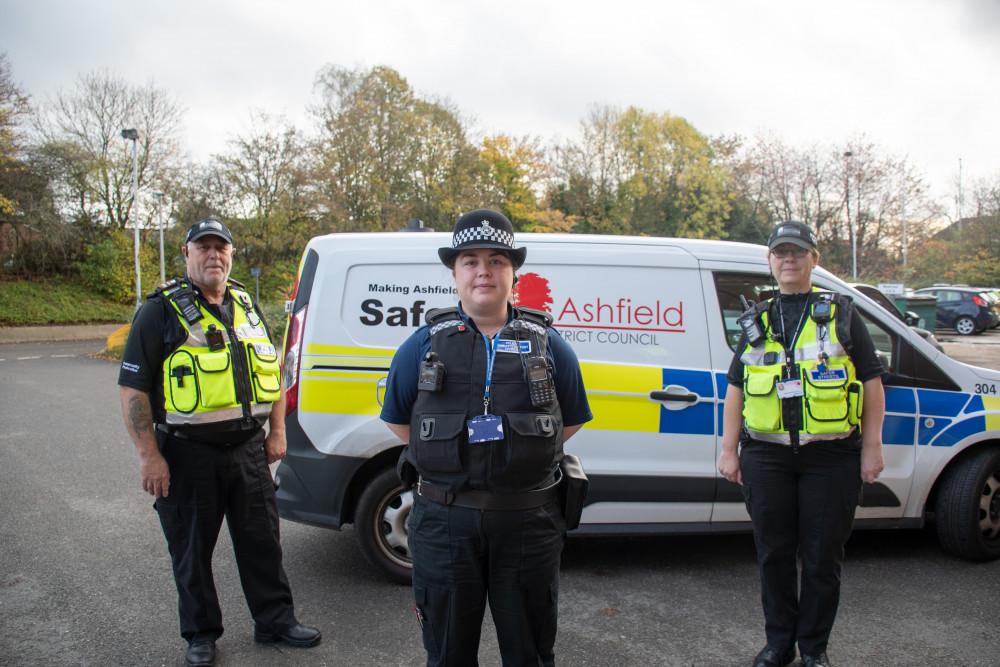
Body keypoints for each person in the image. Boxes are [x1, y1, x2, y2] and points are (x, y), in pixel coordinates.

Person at [381, 209, 592, 666]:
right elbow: (400, 419)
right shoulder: (421, 345)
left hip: (528, 523)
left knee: (530, 653)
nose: (483, 271)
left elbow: (570, 419)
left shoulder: (550, 344)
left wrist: (520, 456)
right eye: (470, 261)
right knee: (448, 654)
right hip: (444, 523)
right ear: (454, 272)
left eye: (496, 261)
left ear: (513, 273)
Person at [118, 218, 320, 667]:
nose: (213, 255)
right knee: (191, 551)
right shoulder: (160, 310)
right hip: (187, 454)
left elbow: (271, 376)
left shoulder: (246, 304)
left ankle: (275, 622)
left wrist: (278, 432)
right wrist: (149, 457)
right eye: (203, 247)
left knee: (263, 542)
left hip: (249, 451)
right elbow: (133, 389)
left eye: (221, 247)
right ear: (186, 254)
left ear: (231, 254)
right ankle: (201, 635)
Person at [718, 221, 885, 667]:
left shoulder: (843, 313)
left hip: (831, 457)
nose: (788, 259)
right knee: (773, 555)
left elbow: (871, 380)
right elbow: (736, 385)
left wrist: (872, 446)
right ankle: (778, 645)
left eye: (797, 251)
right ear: (770, 263)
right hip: (766, 455)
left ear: (814, 258)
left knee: (820, 559)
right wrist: (727, 448)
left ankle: (813, 648)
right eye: (779, 253)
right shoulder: (757, 320)